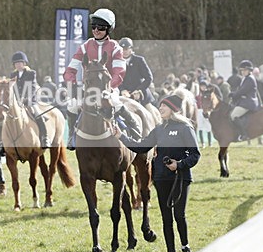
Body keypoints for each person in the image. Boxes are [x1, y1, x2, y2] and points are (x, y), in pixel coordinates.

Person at [115, 94, 201, 252]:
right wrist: (121, 136)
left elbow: (195, 155)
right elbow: (141, 146)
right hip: (161, 178)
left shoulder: (185, 128)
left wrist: (180, 164)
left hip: (180, 178)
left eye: (164, 106)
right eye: (160, 105)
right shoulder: (159, 129)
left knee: (179, 215)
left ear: (173, 109)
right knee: (166, 217)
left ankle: (185, 248)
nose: (160, 108)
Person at [63, 8, 140, 144]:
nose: (96, 30)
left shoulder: (115, 47)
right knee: (72, 105)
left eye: (101, 27)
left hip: (108, 88)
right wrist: (74, 86)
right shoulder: (85, 46)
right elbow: (69, 71)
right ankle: (71, 136)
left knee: (115, 103)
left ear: (109, 29)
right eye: (94, 26)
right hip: (87, 89)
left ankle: (134, 129)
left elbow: (119, 73)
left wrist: (107, 88)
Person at [10, 51, 50, 148]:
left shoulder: (31, 73)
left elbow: (32, 87)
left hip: (30, 101)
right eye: (16, 63)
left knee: (37, 114)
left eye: (20, 63)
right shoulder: (12, 74)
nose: (18, 65)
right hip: (17, 102)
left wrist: (25, 98)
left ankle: (45, 138)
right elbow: (12, 88)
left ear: (24, 63)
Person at [229, 60, 261, 141]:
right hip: (246, 101)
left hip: (248, 102)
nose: (243, 72)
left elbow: (242, 91)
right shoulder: (246, 78)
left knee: (233, 115)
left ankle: (244, 134)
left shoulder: (250, 79)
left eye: (245, 70)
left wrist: (233, 94)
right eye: (242, 70)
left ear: (249, 70)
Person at [118, 37, 155, 106]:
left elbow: (149, 78)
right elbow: (116, 79)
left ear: (131, 49)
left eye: (126, 49)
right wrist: (122, 90)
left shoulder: (139, 60)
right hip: (124, 95)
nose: (124, 51)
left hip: (141, 95)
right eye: (122, 49)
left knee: (152, 114)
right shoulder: (117, 62)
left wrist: (139, 90)